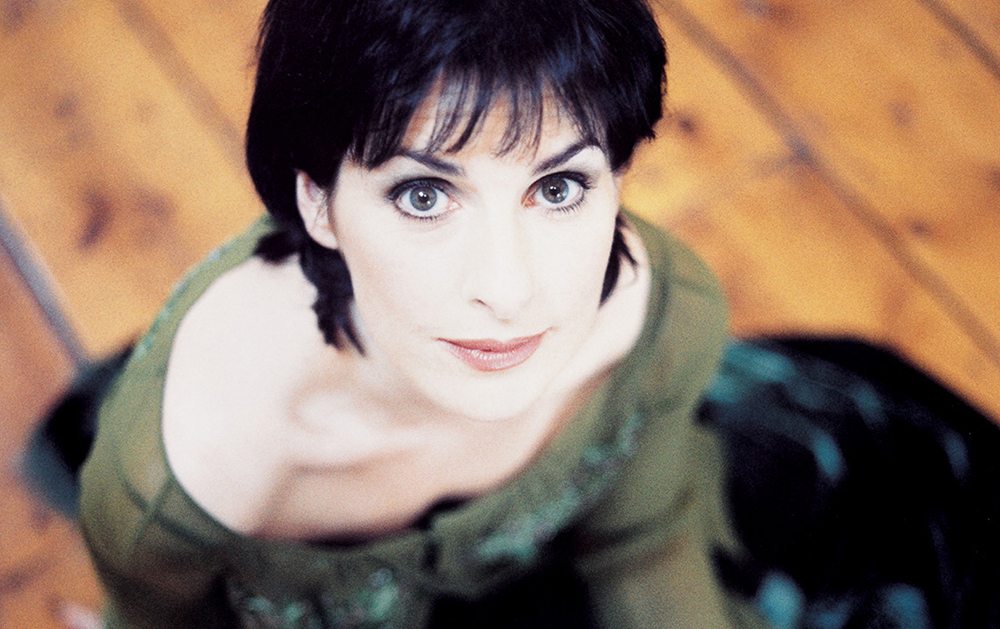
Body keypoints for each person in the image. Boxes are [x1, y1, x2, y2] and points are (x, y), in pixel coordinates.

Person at [77, 0, 768, 626]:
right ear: (318, 200)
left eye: (558, 187)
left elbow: (643, 542)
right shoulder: (192, 478)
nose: (508, 291)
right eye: (424, 196)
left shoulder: (665, 324)